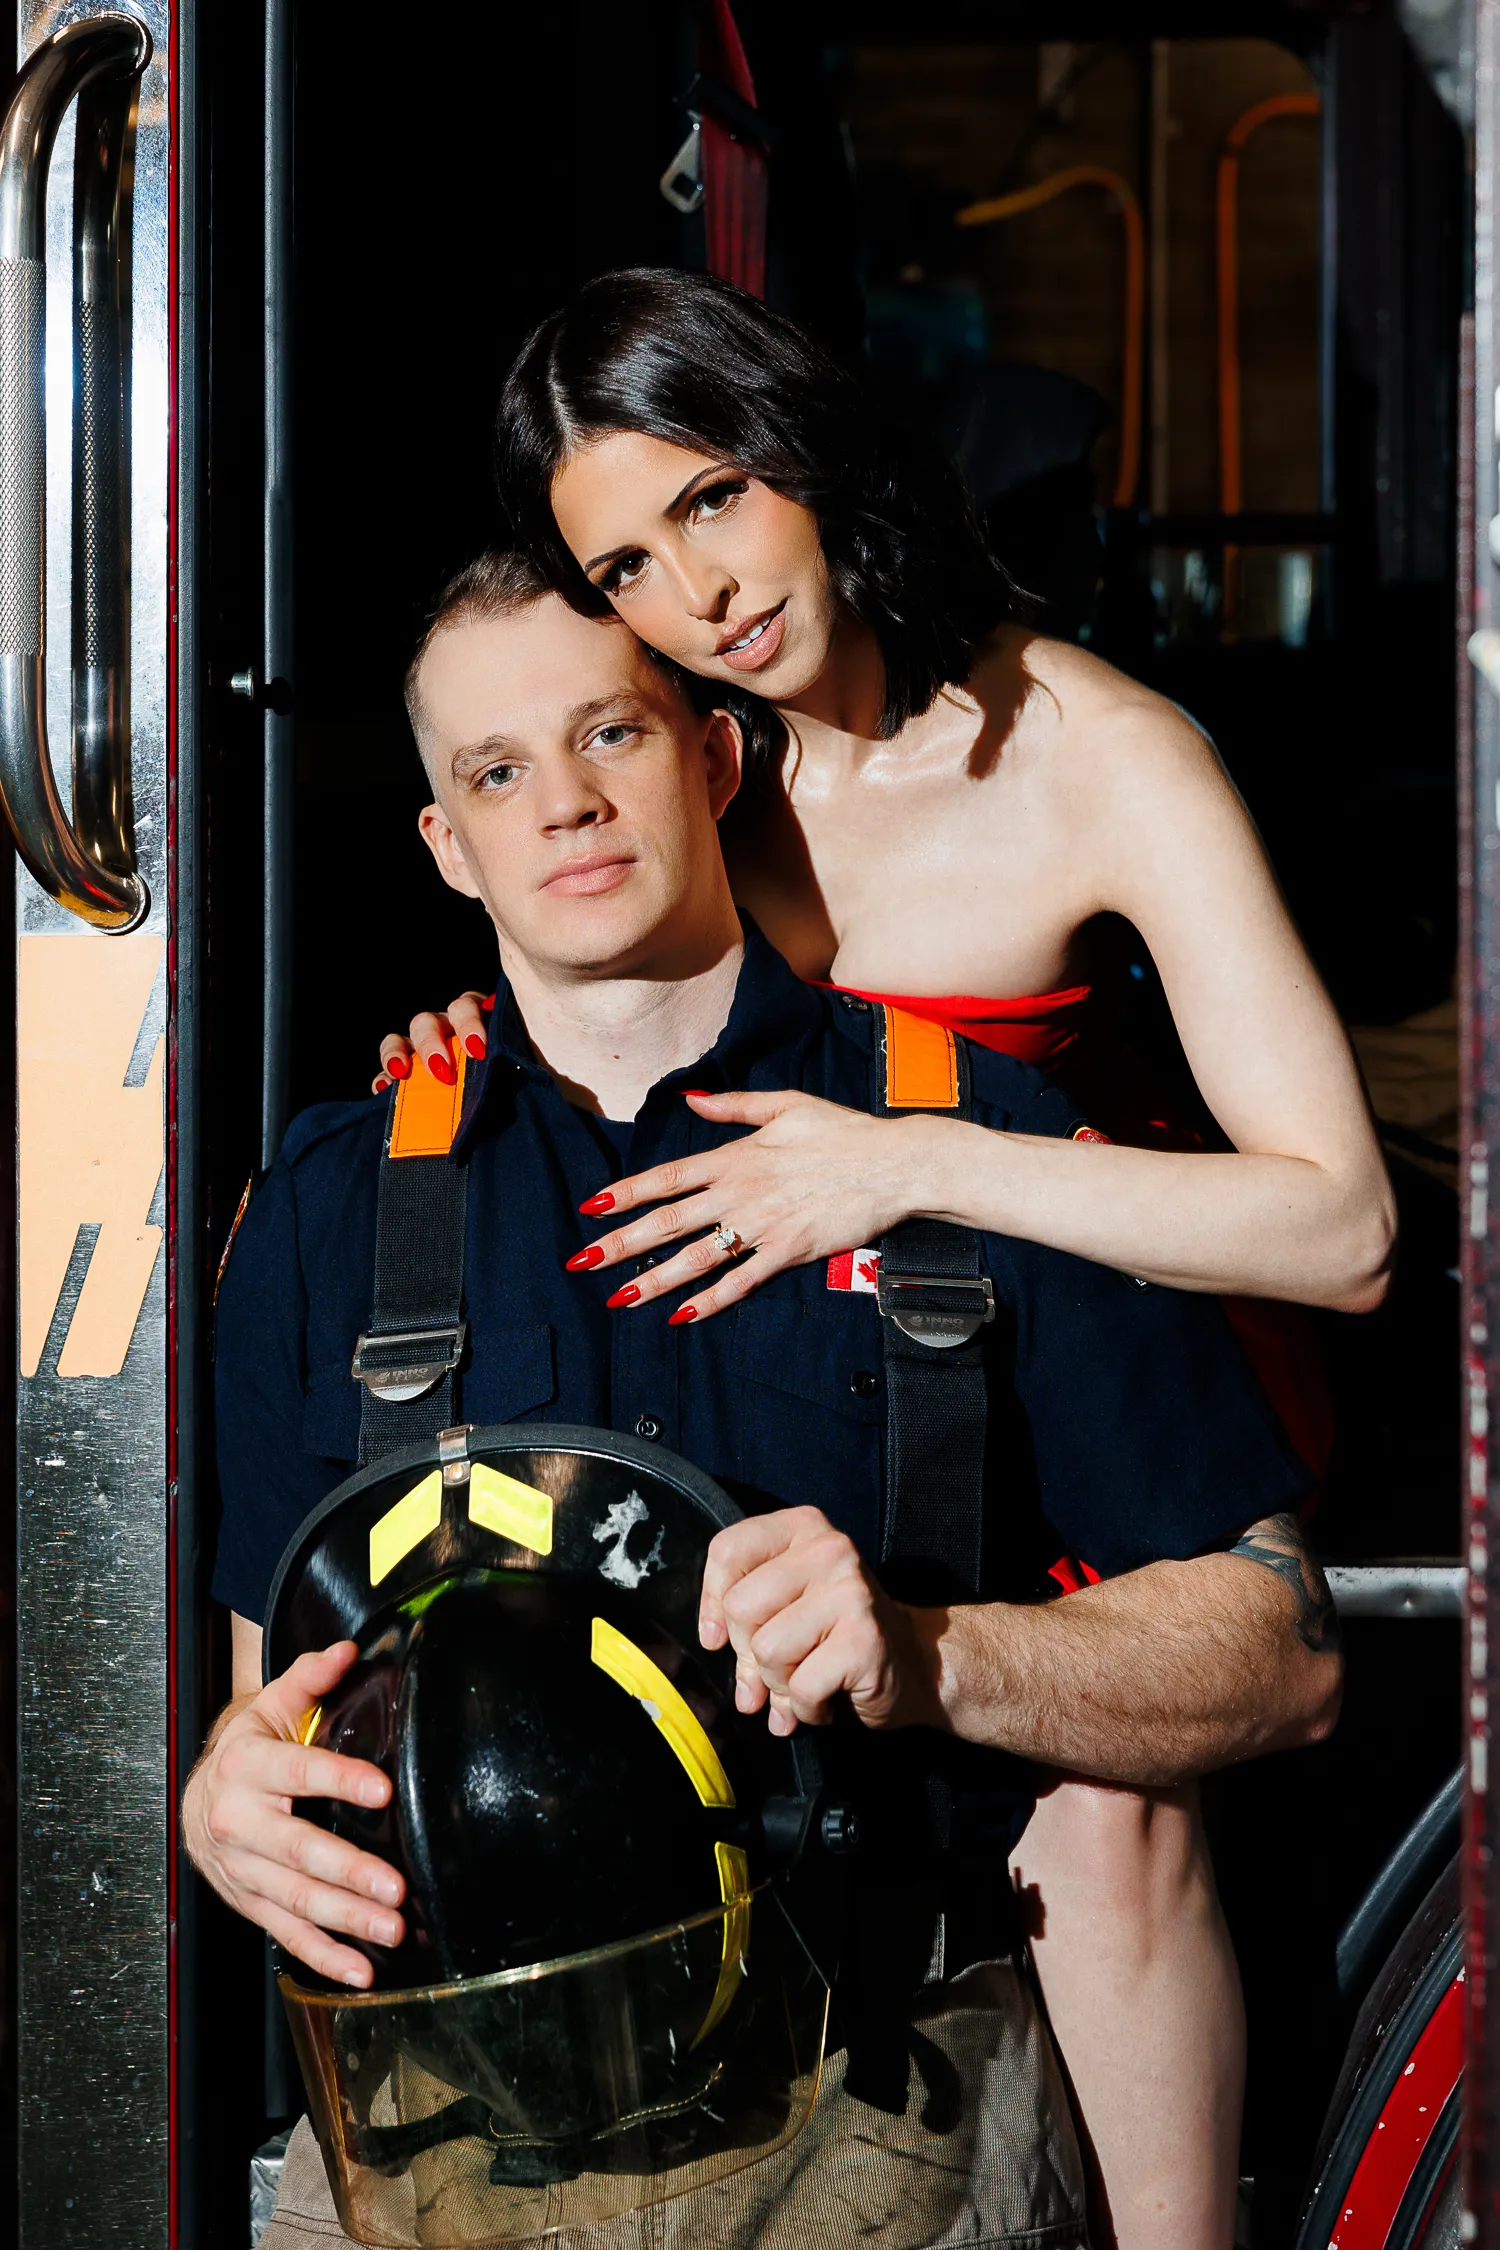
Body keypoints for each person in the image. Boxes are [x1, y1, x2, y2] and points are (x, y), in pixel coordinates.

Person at [368, 270, 1392, 2250]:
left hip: (1112, 1366)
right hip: (842, 1367)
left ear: (804, 447)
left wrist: (907, 1159)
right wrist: (466, 1047)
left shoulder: (1099, 749)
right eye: (633, 563)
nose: (705, 592)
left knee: (1100, 1819)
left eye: (722, 498)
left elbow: (1339, 1225)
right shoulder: (686, 750)